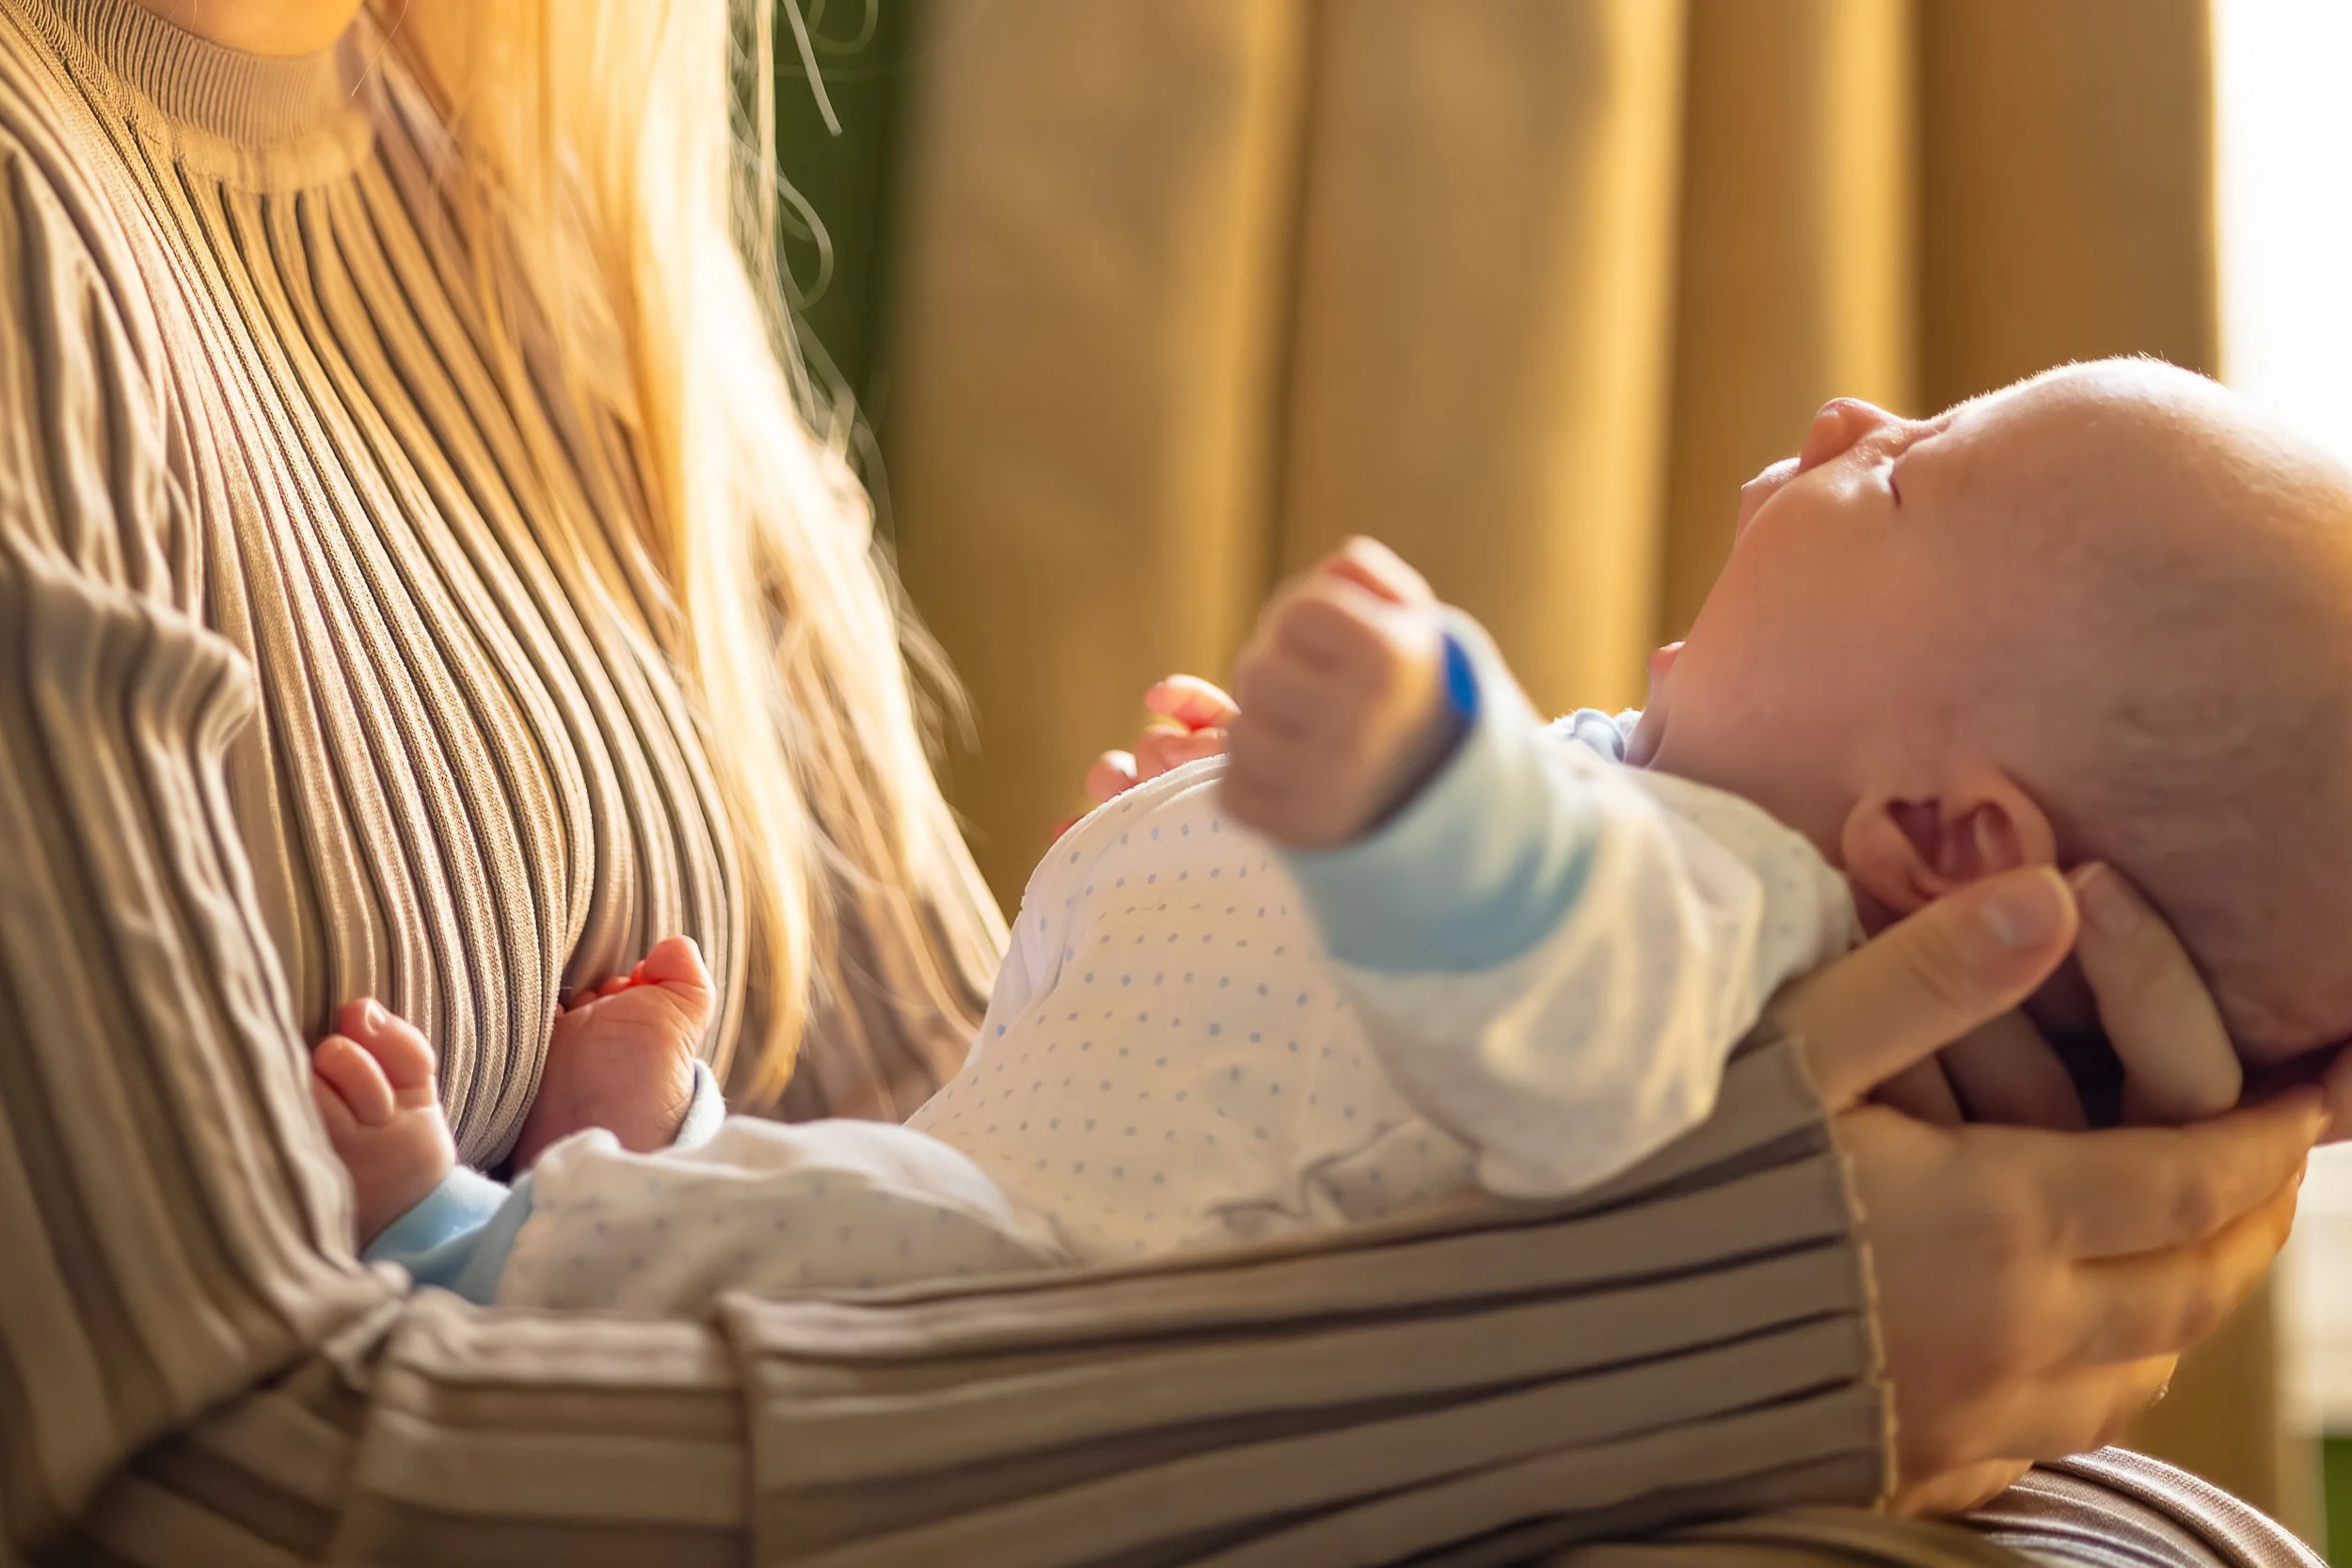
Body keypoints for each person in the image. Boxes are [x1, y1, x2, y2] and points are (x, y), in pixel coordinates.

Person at [0, 0, 2329, 1557]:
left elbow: (979, 1138)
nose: (1843, 430)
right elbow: (204, 1485)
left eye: (1908, 470)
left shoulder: (514, 180)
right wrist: (1710, 1334)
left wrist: (1996, 1307)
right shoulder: (49, 240)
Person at [314, 356, 2306, 1316]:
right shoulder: (1660, 807)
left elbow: (1552, 978)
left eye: (1903, 480)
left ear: (1942, 843)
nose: (1853, 413)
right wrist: (1228, 818)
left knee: (839, 1256)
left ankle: (472, 1249)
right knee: (843, 1193)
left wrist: (1416, 787)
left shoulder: (1720, 914)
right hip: (1043, 1163)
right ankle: (633, 1171)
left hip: (1073, 1295)